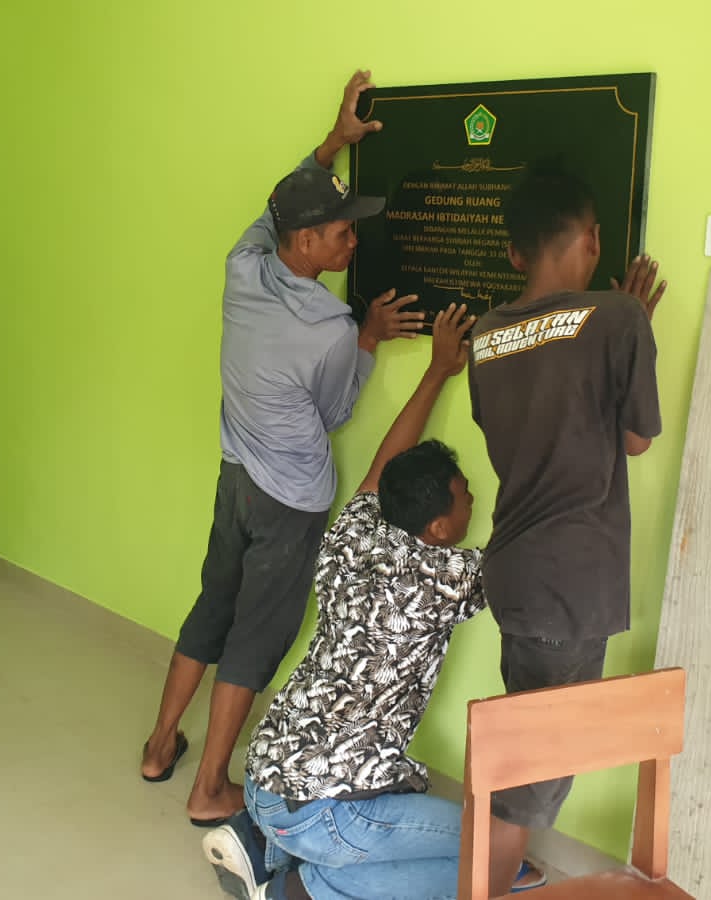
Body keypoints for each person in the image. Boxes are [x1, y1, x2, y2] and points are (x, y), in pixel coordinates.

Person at [140, 69, 427, 826]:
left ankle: (159, 745)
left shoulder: (242, 266)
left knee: (212, 605)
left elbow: (277, 201)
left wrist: (334, 141)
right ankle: (209, 789)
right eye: (341, 232)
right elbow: (334, 412)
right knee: (256, 637)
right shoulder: (330, 328)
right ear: (306, 241)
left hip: (235, 480)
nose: (352, 240)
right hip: (289, 501)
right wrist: (370, 338)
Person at [201, 305, 543, 900]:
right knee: (500, 860)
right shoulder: (447, 577)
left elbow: (388, 460)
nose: (473, 500)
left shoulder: (358, 527)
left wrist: (437, 370)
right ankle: (301, 891)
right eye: (465, 496)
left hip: (264, 776)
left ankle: (263, 845)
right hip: (325, 810)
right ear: (440, 528)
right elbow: (526, 537)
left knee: (458, 839)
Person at [466, 173, 668, 895]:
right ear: (592, 239)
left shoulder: (485, 335)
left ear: (515, 252)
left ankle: (493, 867)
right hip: (573, 584)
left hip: (517, 572)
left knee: (516, 746)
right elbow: (636, 440)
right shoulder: (618, 319)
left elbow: (516, 425)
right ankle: (484, 884)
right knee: (524, 782)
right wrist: (632, 326)